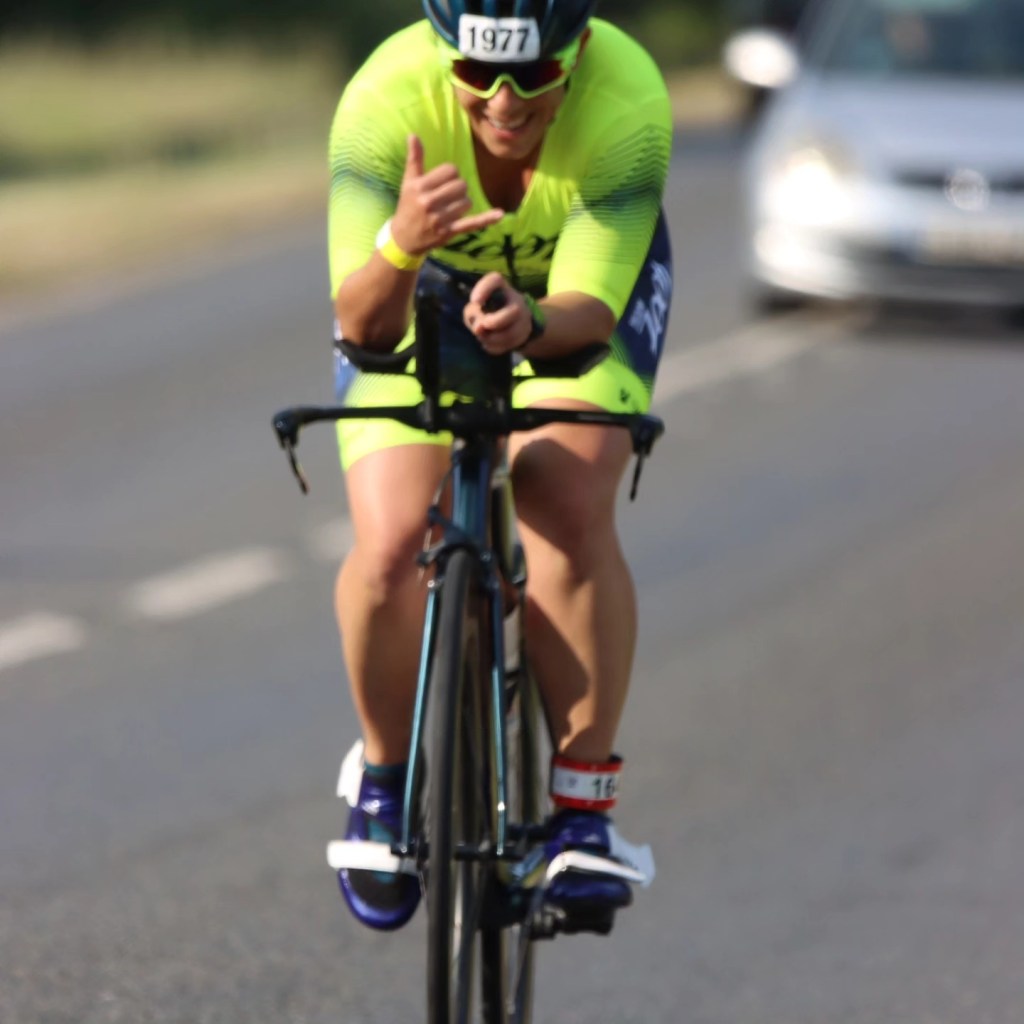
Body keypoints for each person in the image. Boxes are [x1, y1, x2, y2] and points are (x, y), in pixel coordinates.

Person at [327, 0, 673, 931]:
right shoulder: (382, 101)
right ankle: (385, 780)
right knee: (393, 542)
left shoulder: (628, 100)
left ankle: (582, 810)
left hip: (572, 296)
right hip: (420, 286)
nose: (506, 102)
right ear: (444, 56)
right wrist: (402, 241)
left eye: (533, 76)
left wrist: (530, 326)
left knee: (564, 494)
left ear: (579, 52)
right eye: (479, 76)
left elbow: (589, 314)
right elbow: (364, 325)